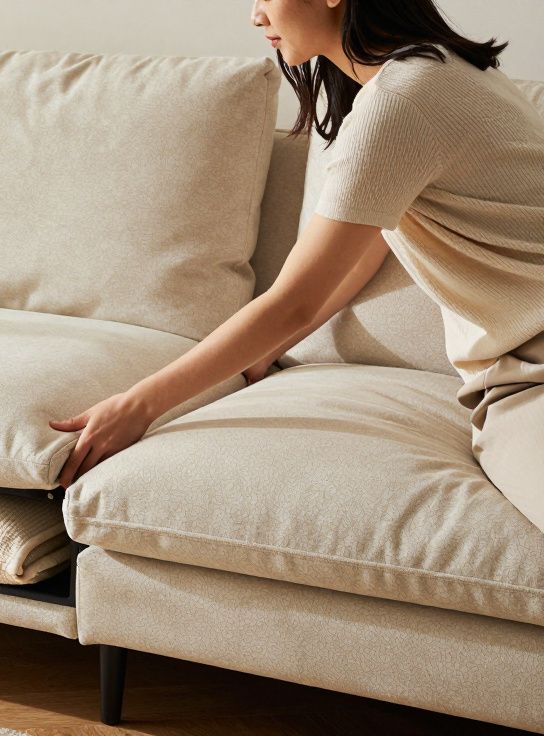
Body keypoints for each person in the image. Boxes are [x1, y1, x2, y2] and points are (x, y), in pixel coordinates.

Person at [49, 0, 544, 534]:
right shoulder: (446, 71)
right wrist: (266, 349)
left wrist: (137, 405)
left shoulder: (402, 100)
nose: (256, 16)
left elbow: (294, 301)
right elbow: (363, 250)